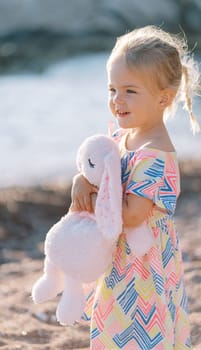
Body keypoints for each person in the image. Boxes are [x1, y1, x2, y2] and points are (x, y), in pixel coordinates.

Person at [70, 25, 200, 349]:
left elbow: (132, 214)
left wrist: (95, 196)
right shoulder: (123, 137)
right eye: (112, 89)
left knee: (141, 332)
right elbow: (102, 171)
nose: (117, 100)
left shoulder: (156, 155)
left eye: (130, 90)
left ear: (162, 98)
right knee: (112, 324)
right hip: (120, 259)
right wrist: (81, 180)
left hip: (142, 266)